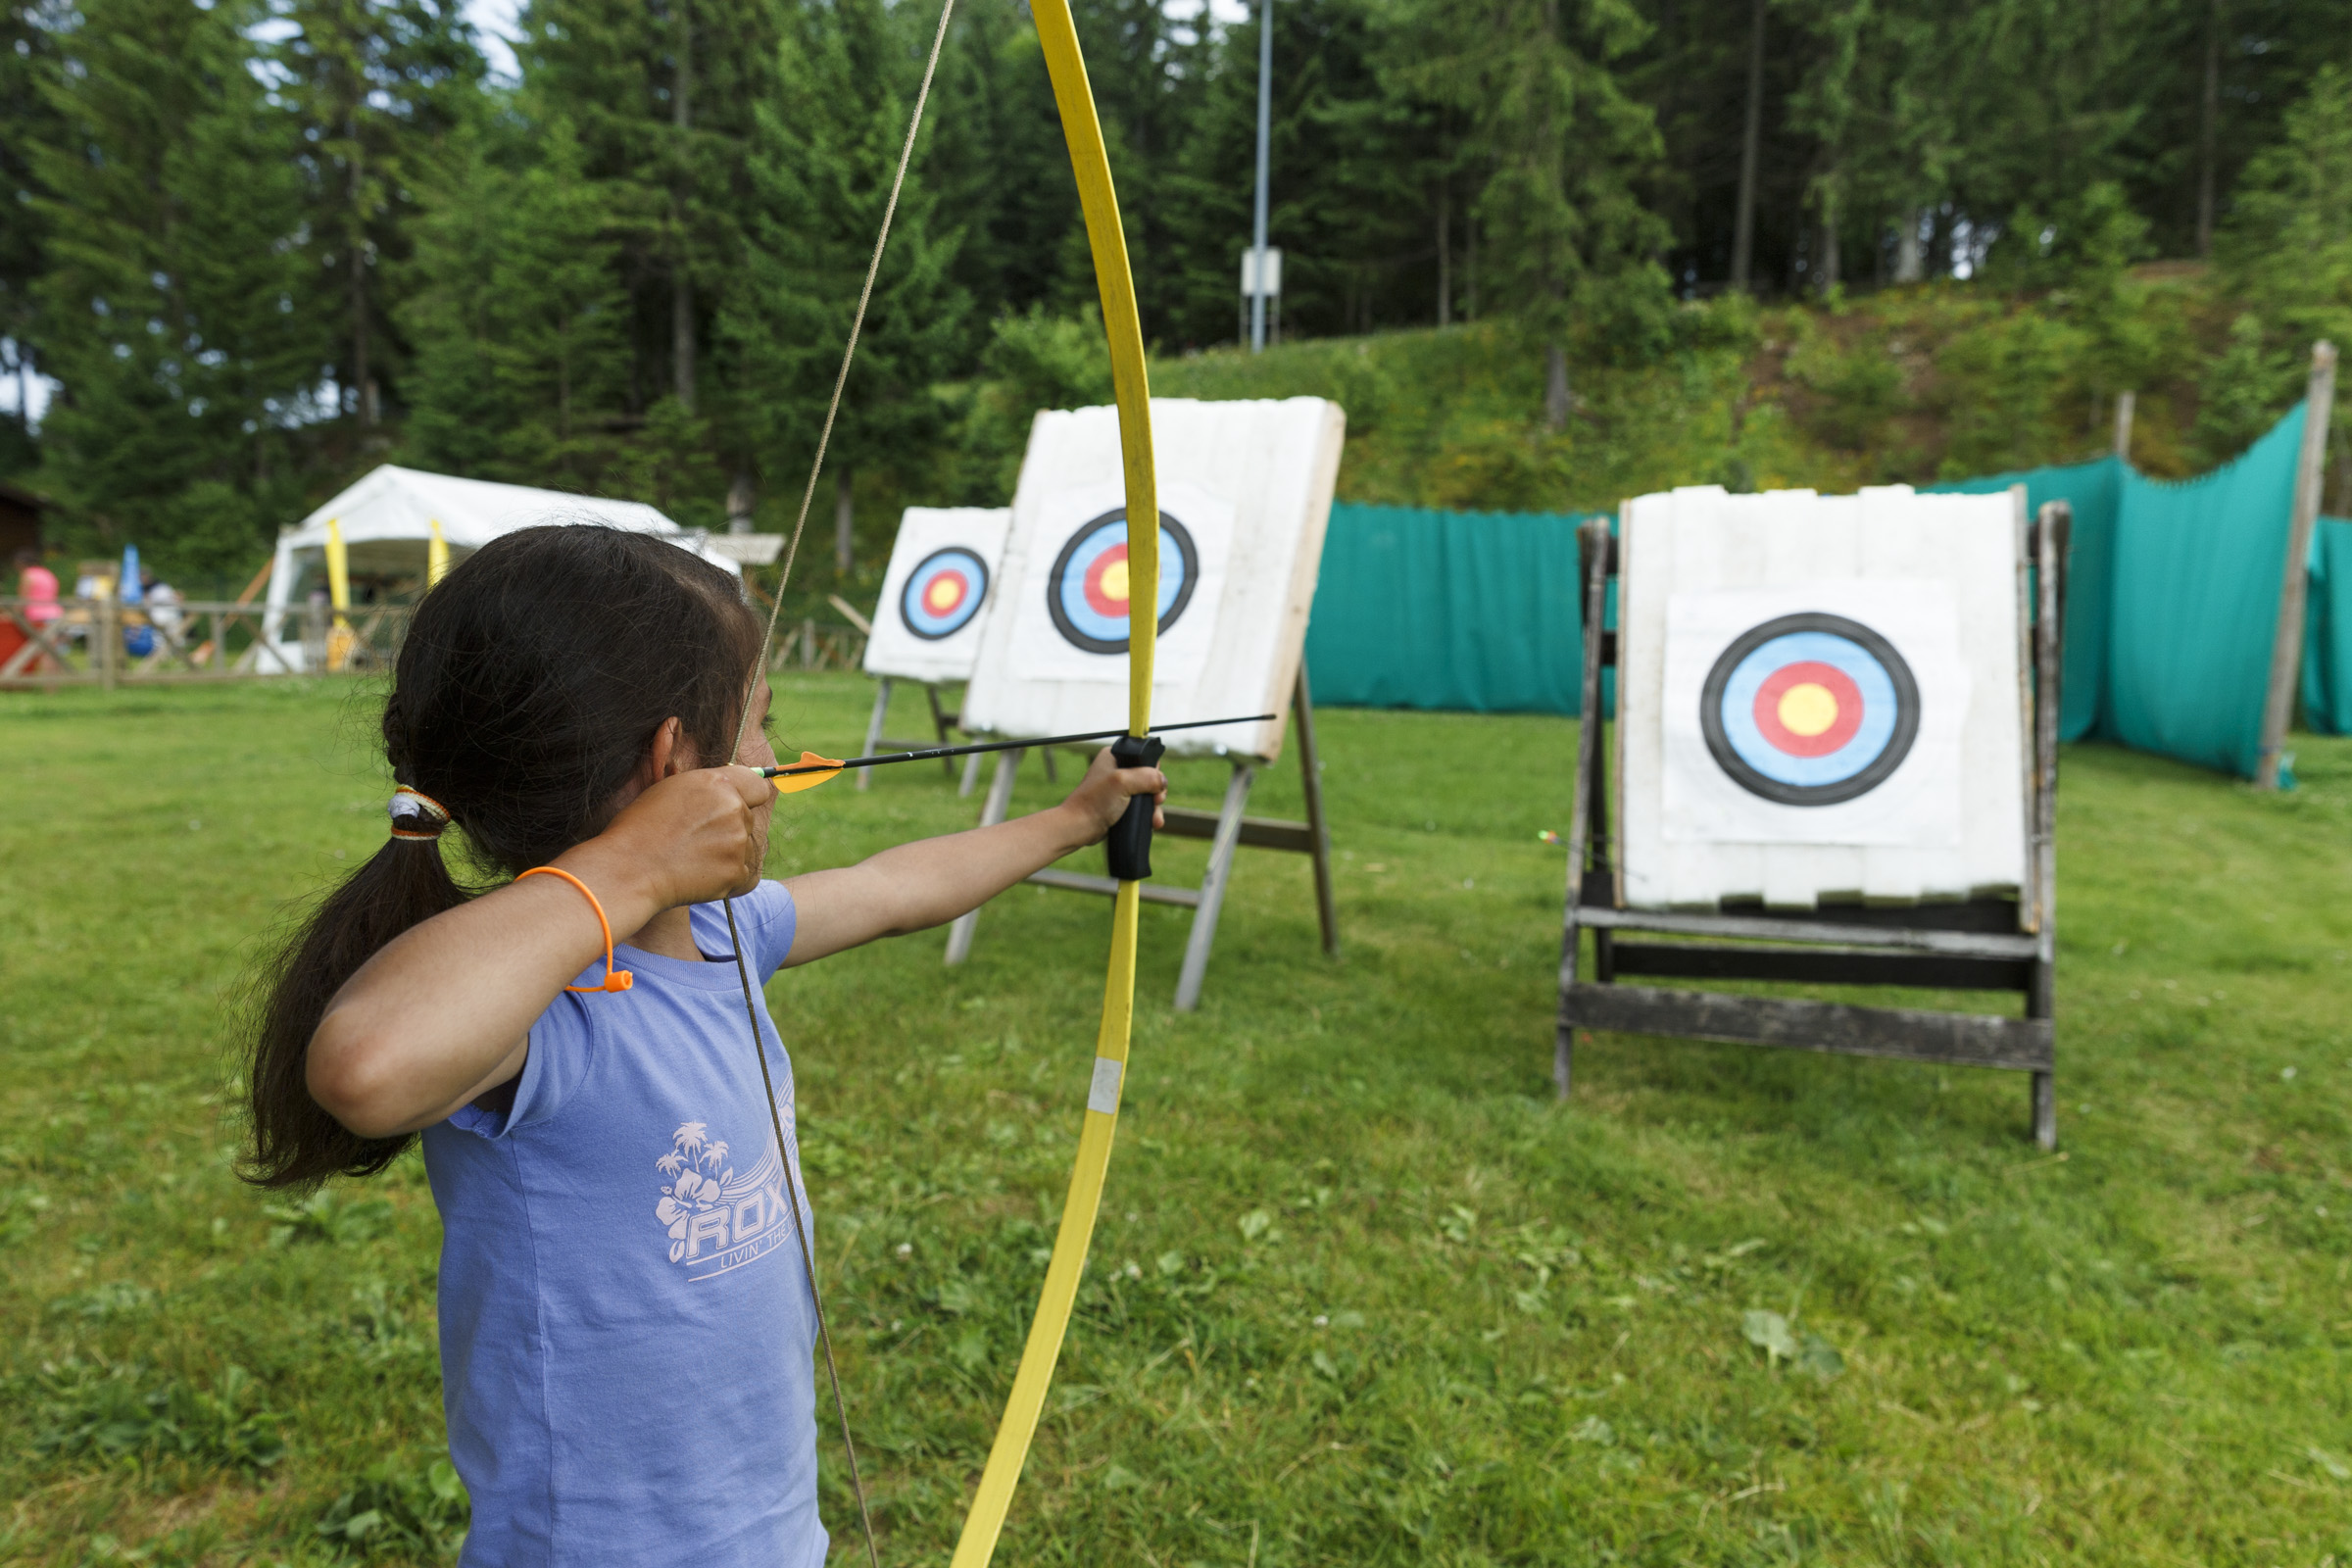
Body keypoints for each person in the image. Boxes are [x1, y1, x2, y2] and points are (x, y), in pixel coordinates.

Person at [240, 525, 1164, 1567]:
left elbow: (898, 889)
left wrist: (1076, 818)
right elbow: (365, 1064)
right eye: (760, 727)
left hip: (762, 1526)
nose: (773, 763)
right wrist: (630, 871)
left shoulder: (731, 932)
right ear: (673, 759)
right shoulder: (542, 1010)